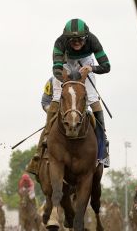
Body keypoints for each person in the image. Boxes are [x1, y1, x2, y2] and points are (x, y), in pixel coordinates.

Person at [28, 18, 111, 175]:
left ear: (86, 37)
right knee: (57, 96)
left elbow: (106, 66)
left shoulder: (93, 41)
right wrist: (67, 79)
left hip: (86, 63)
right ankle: (44, 141)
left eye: (80, 39)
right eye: (73, 40)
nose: (77, 43)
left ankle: (103, 145)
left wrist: (91, 68)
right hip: (65, 64)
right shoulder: (60, 43)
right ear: (67, 38)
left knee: (93, 99)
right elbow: (56, 70)